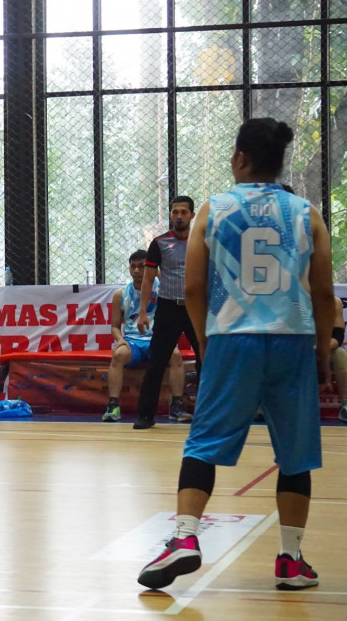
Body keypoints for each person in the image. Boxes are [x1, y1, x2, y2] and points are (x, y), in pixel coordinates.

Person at [138, 118, 333, 591]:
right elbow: (325, 294)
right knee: (294, 453)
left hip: (231, 337)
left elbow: (194, 286)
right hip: (291, 338)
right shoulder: (306, 213)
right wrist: (323, 352)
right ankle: (290, 559)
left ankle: (185, 538)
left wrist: (207, 338)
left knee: (204, 441)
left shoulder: (214, 210)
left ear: (241, 159)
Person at [133, 196, 201, 428]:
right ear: (170, 215)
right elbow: (149, 278)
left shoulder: (203, 241)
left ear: (192, 215)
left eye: (183, 212)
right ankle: (145, 415)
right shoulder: (159, 243)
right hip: (168, 307)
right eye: (175, 212)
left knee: (206, 359)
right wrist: (143, 311)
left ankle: (206, 414)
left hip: (196, 308)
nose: (179, 216)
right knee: (157, 361)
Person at [102, 250, 186, 422]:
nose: (137, 271)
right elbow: (115, 327)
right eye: (133, 267)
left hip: (158, 339)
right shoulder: (121, 294)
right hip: (133, 341)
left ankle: (177, 406)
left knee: (176, 355)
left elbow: (176, 289)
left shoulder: (162, 288)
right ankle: (113, 405)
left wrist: (156, 271)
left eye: (142, 266)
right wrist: (120, 340)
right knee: (118, 355)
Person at [328, 297, 347, 423]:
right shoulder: (295, 302)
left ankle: (345, 404)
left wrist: (319, 349)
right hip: (299, 347)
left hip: (324, 347)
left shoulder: (335, 303)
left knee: (340, 353)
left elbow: (338, 337)